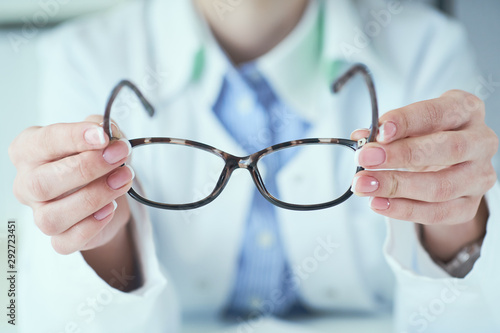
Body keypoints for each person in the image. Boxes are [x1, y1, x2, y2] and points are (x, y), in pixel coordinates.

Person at [8, 0, 500, 332]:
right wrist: (99, 237)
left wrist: (458, 224)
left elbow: (472, 317)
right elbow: (51, 320)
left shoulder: (430, 50)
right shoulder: (80, 58)